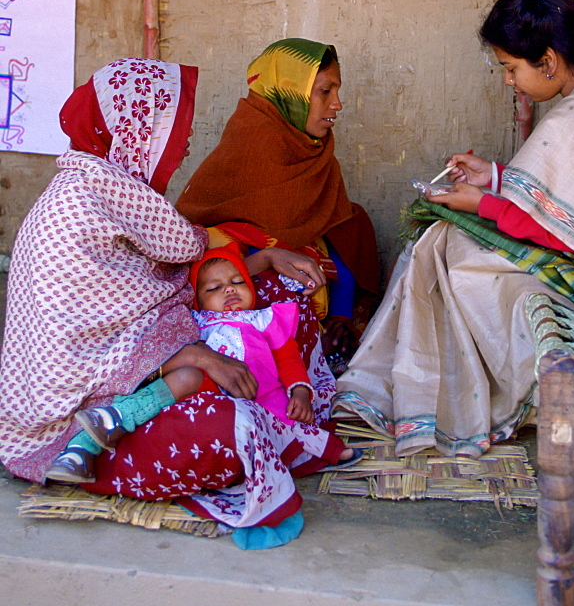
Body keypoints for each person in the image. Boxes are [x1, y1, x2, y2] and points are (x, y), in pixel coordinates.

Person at [0, 58, 343, 545]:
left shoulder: (84, 181)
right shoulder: (106, 188)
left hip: (107, 380)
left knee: (267, 311)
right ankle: (92, 452)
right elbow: (185, 252)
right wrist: (203, 353)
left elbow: (159, 283)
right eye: (172, 131)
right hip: (65, 419)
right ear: (138, 130)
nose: (182, 146)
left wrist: (260, 262)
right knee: (228, 432)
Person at [334, 0, 574, 459]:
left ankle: (446, 397)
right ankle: (430, 388)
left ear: (550, 61)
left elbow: (569, 226)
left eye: (511, 68)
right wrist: (494, 179)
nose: (508, 81)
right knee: (448, 242)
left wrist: (482, 203)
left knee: (450, 253)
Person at [175, 38, 381, 369]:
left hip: (306, 281)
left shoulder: (313, 150)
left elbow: (332, 230)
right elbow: (204, 248)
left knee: (352, 222)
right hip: (243, 295)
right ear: (289, 93)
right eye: (325, 92)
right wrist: (270, 255)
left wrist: (341, 316)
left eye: (337, 91)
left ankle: (332, 334)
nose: (337, 104)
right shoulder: (255, 140)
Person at [73, 245, 362, 472]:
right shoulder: (195, 322)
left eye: (238, 281)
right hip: (210, 392)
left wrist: (300, 391)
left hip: (263, 393)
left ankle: (327, 451)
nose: (229, 289)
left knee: (294, 421)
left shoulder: (262, 319)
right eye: (213, 288)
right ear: (197, 300)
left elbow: (288, 359)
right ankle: (119, 415)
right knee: (186, 378)